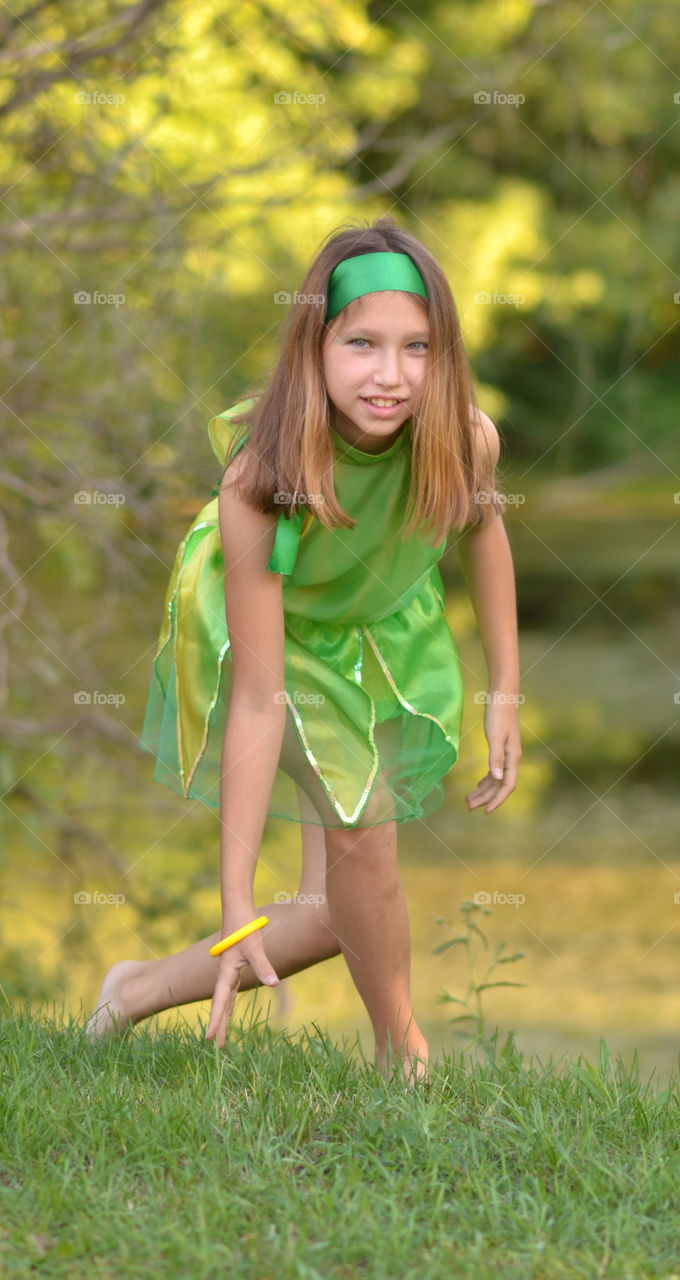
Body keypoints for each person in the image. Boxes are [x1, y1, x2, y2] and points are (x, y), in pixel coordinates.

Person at [84, 215, 521, 1082]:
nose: (390, 376)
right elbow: (258, 696)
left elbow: (483, 528)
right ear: (313, 344)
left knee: (333, 913)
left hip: (372, 625)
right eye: (361, 343)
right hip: (263, 630)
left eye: (417, 347)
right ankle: (406, 1060)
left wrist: (503, 689)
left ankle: (129, 993)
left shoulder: (462, 436)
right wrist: (236, 894)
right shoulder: (260, 477)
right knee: (365, 837)